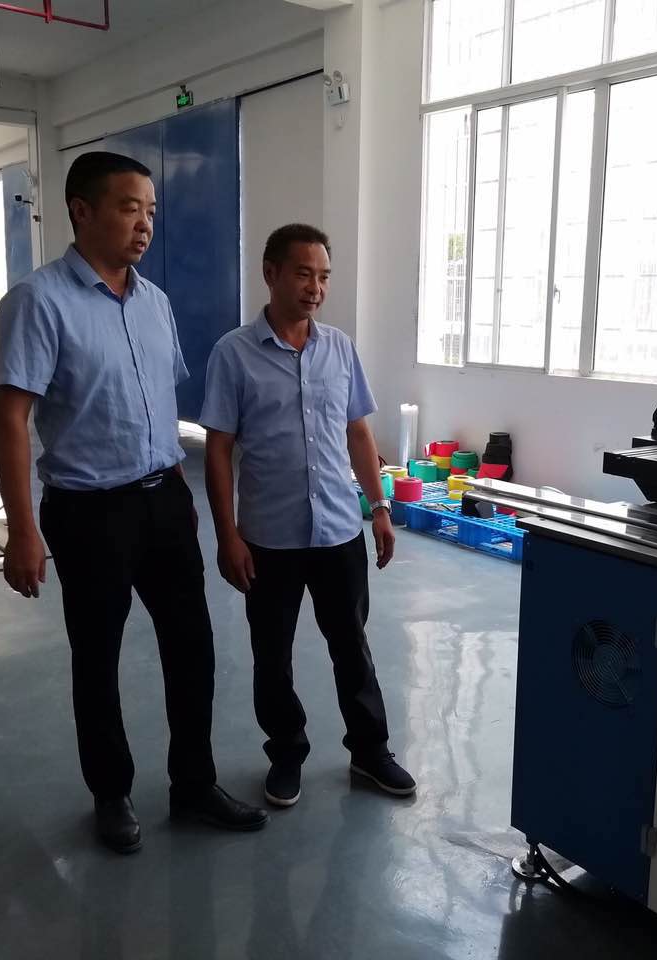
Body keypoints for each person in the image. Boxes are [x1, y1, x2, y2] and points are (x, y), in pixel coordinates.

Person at [0, 151, 267, 854]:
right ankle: (111, 793)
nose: (144, 223)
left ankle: (194, 784)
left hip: (163, 498)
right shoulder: (38, 301)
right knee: (98, 656)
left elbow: (159, 404)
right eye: (128, 208)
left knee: (193, 648)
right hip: (88, 512)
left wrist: (179, 486)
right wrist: (22, 531)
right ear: (81, 211)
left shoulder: (154, 302)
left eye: (150, 210)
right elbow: (11, 417)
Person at [201, 223, 416, 809]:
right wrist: (227, 535)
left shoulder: (339, 348)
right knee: (272, 654)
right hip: (268, 538)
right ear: (270, 273)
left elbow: (358, 432)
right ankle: (286, 753)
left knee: (352, 645)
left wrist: (379, 507)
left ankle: (370, 750)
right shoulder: (233, 354)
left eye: (323, 276)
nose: (315, 287)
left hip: (338, 532)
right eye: (303, 274)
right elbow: (218, 449)